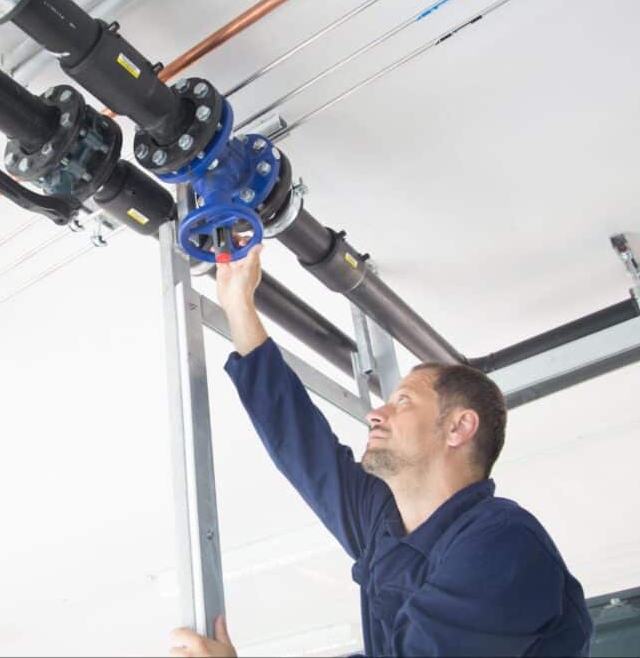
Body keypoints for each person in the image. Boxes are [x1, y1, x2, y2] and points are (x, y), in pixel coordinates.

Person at [169, 244, 593, 658]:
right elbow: (301, 444)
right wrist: (238, 303)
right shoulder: (384, 522)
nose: (376, 413)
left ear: (458, 427)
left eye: (403, 401)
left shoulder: (503, 543)